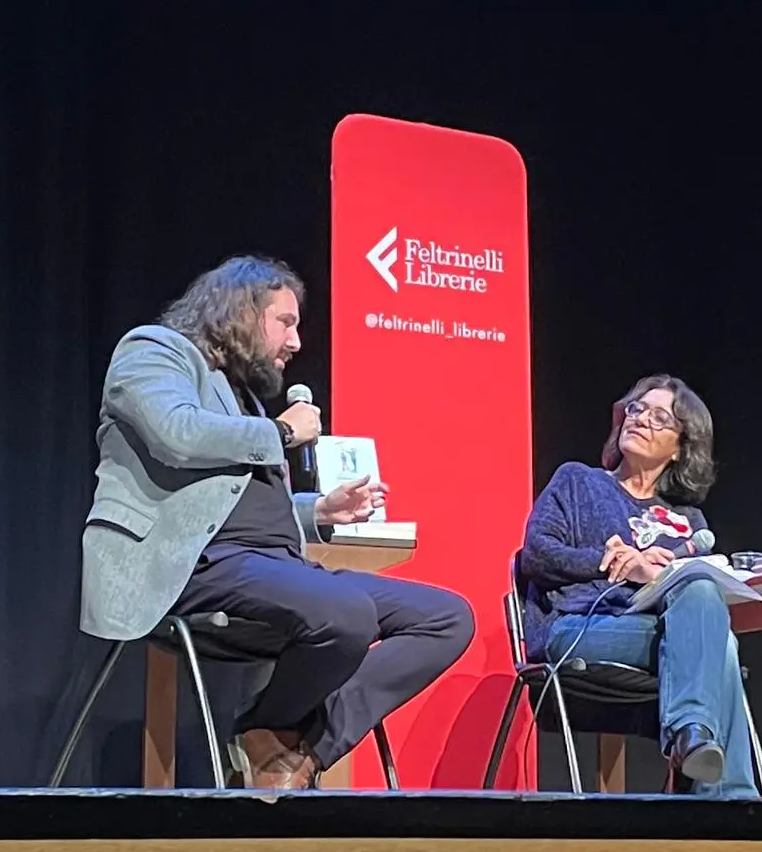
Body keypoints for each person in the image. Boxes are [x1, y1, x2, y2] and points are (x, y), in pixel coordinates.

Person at [81, 255, 473, 789]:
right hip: (194, 566)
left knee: (447, 617)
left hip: (273, 568)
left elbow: (233, 500)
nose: (295, 342)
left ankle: (294, 748)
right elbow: (175, 433)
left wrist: (318, 512)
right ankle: (272, 735)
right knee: (345, 612)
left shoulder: (242, 397)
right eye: (285, 322)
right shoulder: (156, 350)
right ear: (241, 311)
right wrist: (282, 434)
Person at [513, 376, 757, 797]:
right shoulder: (578, 481)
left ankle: (693, 736)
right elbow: (536, 554)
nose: (641, 419)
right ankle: (729, 796)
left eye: (659, 417)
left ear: (680, 447)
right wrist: (614, 564)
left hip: (650, 631)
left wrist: (655, 576)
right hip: (578, 626)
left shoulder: (688, 523)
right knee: (721, 649)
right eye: (636, 409)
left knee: (704, 599)